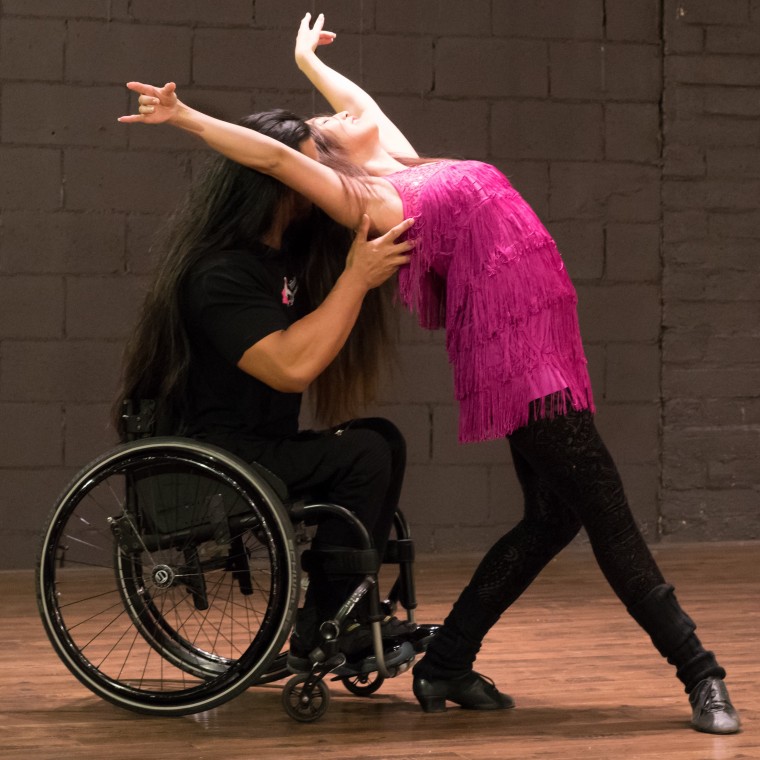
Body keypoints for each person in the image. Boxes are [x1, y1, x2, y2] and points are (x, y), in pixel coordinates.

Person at [117, 12, 740, 734]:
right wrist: (186, 116)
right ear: (327, 166)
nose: (347, 112)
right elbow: (276, 159)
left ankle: (447, 659)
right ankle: (701, 671)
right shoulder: (376, 203)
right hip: (516, 360)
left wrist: (308, 62)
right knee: (607, 515)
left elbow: (364, 107)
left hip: (549, 343)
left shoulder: (403, 165)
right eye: (328, 121)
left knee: (552, 517)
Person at [114, 107, 430, 675]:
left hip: (259, 447)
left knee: (377, 439)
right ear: (278, 178)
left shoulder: (282, 261)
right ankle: (329, 621)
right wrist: (356, 278)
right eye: (314, 167)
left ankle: (342, 613)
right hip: (222, 455)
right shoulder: (219, 274)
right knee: (367, 452)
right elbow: (289, 368)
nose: (324, 180)